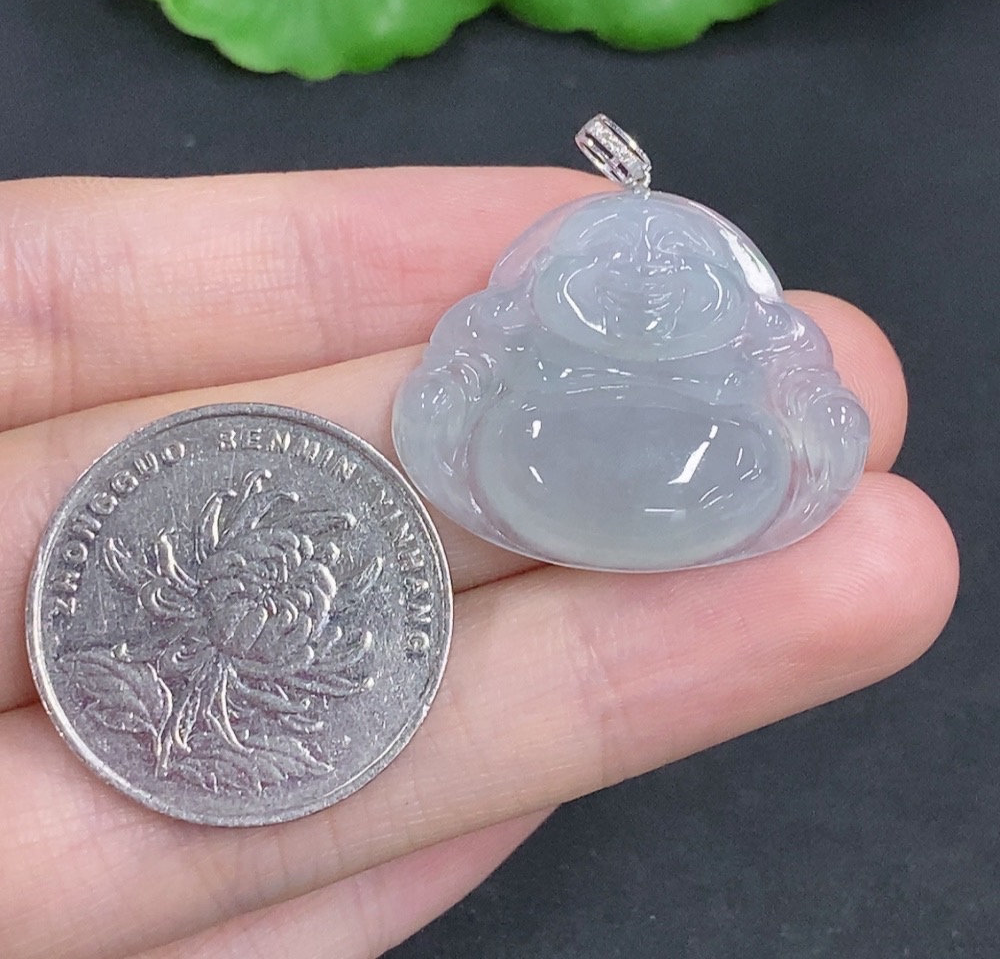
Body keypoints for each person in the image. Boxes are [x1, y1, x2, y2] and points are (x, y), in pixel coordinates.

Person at [0, 167, 958, 958]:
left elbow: (808, 397)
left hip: (715, 457)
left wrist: (816, 423)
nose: (644, 288)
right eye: (615, 266)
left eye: (674, 270)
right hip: (543, 446)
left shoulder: (755, 344)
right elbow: (456, 386)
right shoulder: (518, 335)